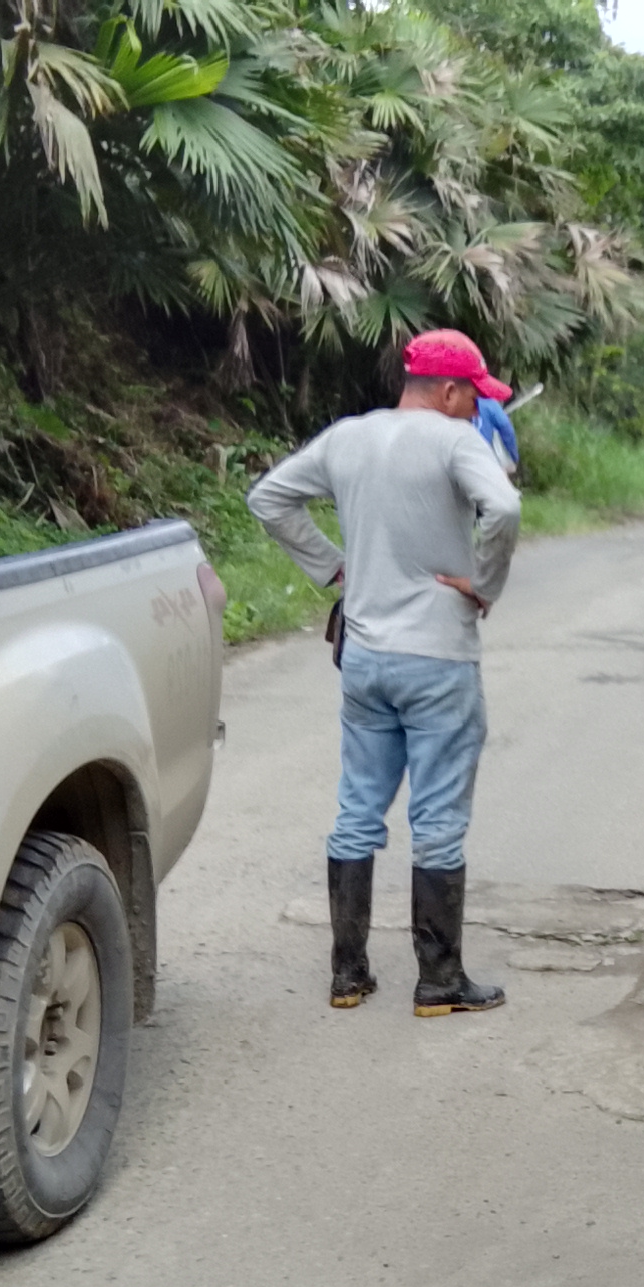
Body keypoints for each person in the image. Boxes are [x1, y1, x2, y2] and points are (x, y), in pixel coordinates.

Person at [249, 330, 523, 1018]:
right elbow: (505, 508)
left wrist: (333, 567)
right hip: (438, 657)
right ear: (450, 391)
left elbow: (269, 499)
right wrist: (484, 584)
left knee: (357, 809)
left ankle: (348, 974)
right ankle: (439, 981)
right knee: (438, 818)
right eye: (475, 398)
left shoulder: (347, 437)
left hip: (366, 659)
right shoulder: (456, 442)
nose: (477, 411)